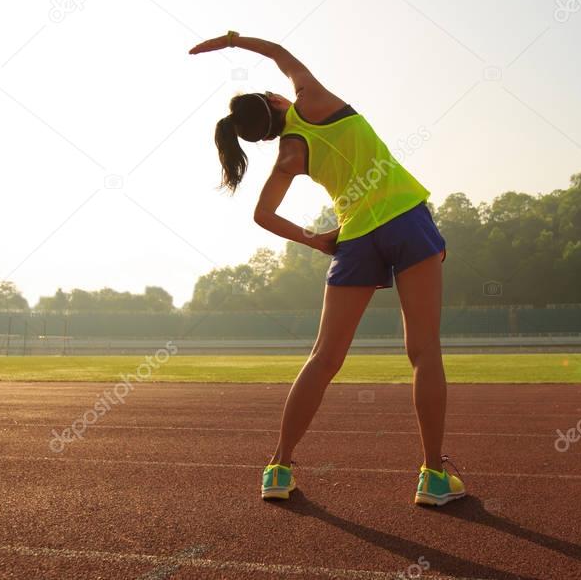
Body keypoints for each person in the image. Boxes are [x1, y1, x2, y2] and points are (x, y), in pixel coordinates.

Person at [188, 31, 465, 506]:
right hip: (404, 217)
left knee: (323, 357)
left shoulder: (289, 155)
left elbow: (263, 215)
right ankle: (433, 476)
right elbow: (277, 53)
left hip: (355, 238)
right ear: (275, 99)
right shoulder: (311, 97)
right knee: (423, 350)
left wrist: (315, 240)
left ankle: (278, 468)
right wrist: (233, 41)